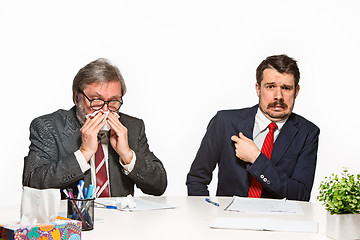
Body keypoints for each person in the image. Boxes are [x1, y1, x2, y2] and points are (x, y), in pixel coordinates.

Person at [23, 58, 167, 198]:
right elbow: (32, 183)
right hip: (73, 220)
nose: (105, 110)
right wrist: (84, 153)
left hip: (121, 220)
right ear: (76, 97)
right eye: (96, 101)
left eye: (113, 102)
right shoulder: (49, 127)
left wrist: (127, 155)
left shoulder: (132, 127)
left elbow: (159, 186)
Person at [186, 54, 320, 201]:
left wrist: (256, 159)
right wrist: (205, 213)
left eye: (286, 88)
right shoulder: (224, 122)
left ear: (296, 91)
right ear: (258, 88)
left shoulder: (307, 133)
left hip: (278, 222)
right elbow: (197, 178)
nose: (278, 96)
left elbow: (301, 194)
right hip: (228, 220)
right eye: (270, 87)